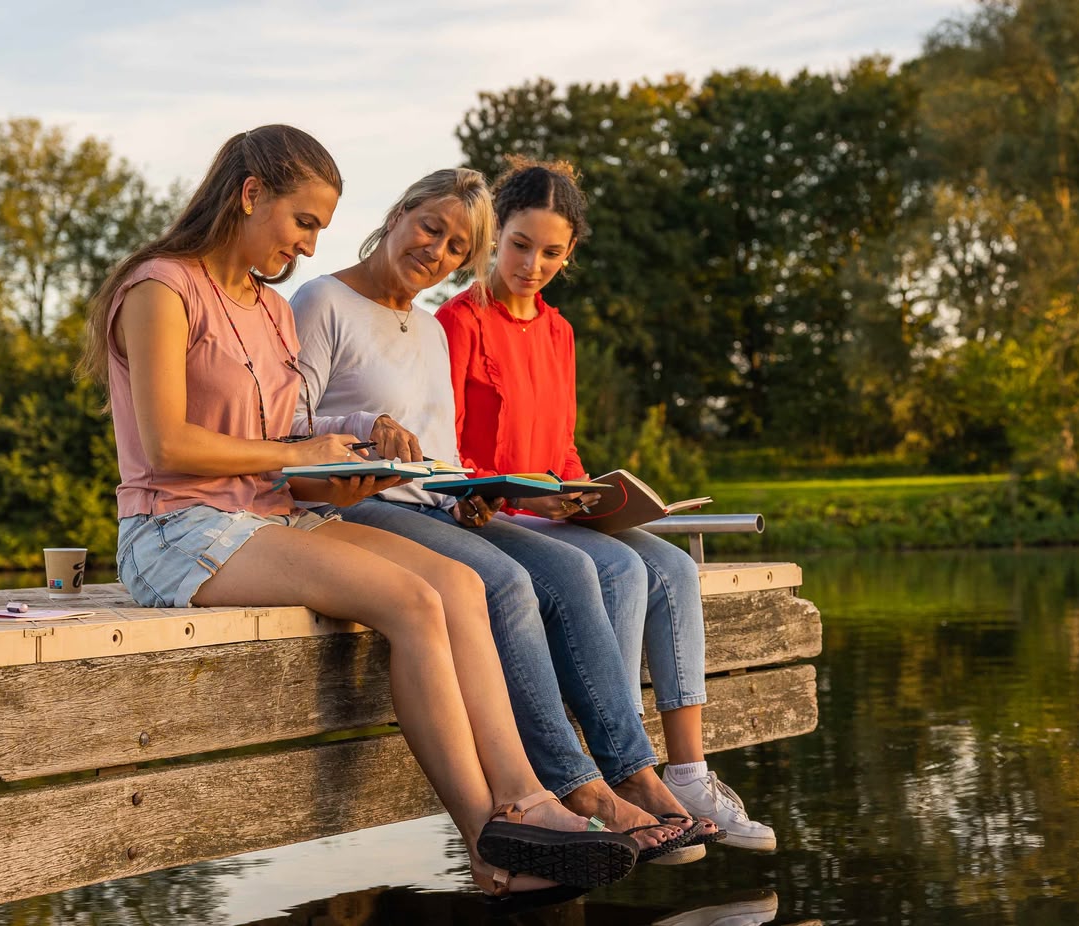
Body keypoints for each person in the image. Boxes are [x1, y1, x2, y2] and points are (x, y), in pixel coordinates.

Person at [79, 126, 636, 898]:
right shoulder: (160, 287)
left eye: (319, 232)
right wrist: (295, 460)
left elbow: (284, 445)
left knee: (464, 586)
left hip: (273, 515)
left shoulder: (271, 311)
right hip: (176, 529)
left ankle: (530, 799)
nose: (308, 247)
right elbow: (171, 442)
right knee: (409, 601)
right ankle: (488, 839)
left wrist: (342, 469)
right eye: (302, 222)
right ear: (250, 195)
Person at [290, 168, 712, 864]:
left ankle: (633, 772)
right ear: (397, 213)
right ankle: (578, 788)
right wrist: (370, 426)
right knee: (508, 584)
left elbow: (447, 454)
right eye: (431, 228)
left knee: (575, 568)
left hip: (435, 503)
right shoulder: (322, 300)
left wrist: (478, 491)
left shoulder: (426, 329)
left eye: (456, 246)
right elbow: (288, 426)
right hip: (358, 505)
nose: (438, 251)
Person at [435, 158, 775, 850]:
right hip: (493, 513)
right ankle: (619, 770)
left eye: (551, 252)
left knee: (673, 569)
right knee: (618, 571)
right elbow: (449, 456)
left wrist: (592, 496)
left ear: (572, 252)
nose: (533, 264)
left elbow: (560, 449)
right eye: (520, 245)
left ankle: (686, 772)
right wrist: (526, 493)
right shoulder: (457, 321)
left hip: (553, 510)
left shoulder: (559, 332)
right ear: (494, 233)